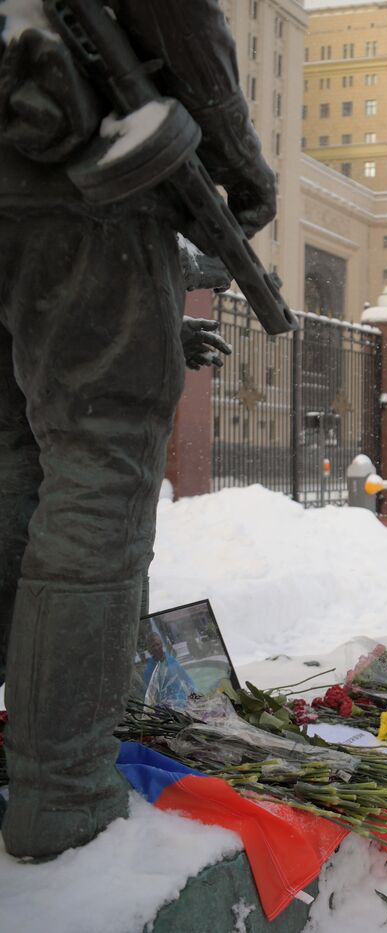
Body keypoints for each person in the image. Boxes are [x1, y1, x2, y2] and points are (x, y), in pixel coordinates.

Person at [0, 1, 277, 859]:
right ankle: (63, 792)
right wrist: (240, 161)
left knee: (13, 472)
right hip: (69, 174)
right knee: (100, 471)